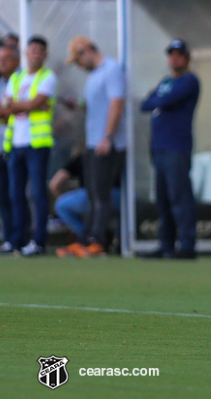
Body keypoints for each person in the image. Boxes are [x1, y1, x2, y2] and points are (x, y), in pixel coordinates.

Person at [56, 36, 126, 258]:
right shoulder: (94, 76)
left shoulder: (112, 69)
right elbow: (96, 105)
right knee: (93, 194)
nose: (78, 65)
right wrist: (77, 104)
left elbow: (116, 103)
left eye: (78, 60)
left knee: (100, 195)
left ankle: (96, 242)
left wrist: (108, 136)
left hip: (107, 143)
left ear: (86, 51)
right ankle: (86, 239)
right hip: (94, 142)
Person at [139, 39, 200, 260]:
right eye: (171, 54)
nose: (174, 58)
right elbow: (146, 103)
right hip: (159, 148)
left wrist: (159, 100)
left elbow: (166, 100)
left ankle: (187, 245)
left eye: (178, 54)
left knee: (180, 197)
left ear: (186, 58)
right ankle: (165, 244)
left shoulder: (190, 81)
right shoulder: (166, 81)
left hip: (177, 147)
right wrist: (159, 99)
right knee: (163, 199)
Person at [0, 37, 57, 256]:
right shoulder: (17, 77)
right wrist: (25, 107)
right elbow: (6, 110)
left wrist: (15, 106)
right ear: (26, 52)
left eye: (40, 51)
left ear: (45, 55)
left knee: (37, 193)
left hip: (37, 144)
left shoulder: (48, 77)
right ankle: (16, 240)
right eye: (33, 50)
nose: (36, 54)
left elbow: (32, 103)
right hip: (15, 144)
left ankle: (38, 240)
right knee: (15, 193)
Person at [52, 153, 122, 258]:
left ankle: (87, 240)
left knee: (61, 205)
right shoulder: (121, 156)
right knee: (125, 207)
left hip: (97, 198)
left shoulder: (85, 156)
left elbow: (54, 184)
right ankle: (116, 241)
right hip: (122, 198)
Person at [0, 44, 20, 251]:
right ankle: (9, 238)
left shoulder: (22, 80)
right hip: (2, 148)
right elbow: (8, 111)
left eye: (6, 58)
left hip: (18, 146)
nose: (2, 63)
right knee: (3, 195)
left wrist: (11, 108)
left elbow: (15, 109)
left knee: (19, 194)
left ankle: (23, 237)